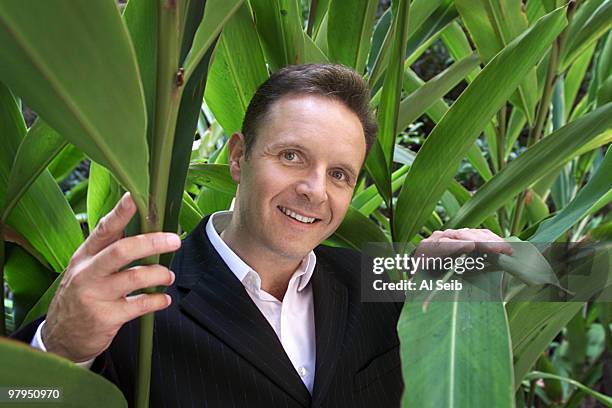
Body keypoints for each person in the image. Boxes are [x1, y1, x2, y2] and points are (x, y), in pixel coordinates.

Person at [13, 64, 510, 407]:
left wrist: (472, 263)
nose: (315, 190)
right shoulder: (129, 303)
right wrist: (56, 349)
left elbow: (573, 276)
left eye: (340, 174)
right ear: (238, 157)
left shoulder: (379, 281)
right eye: (292, 156)